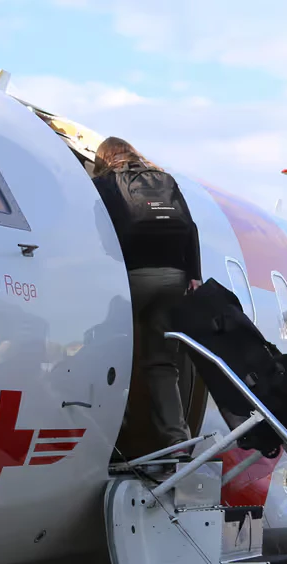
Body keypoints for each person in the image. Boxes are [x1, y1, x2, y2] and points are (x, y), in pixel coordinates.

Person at [91, 137, 201, 458]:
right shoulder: (164, 179)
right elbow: (190, 229)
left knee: (110, 355)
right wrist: (194, 276)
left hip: (133, 277)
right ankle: (178, 441)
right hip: (174, 278)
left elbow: (100, 232)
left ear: (105, 158)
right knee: (163, 364)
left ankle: (112, 441)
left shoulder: (105, 183)